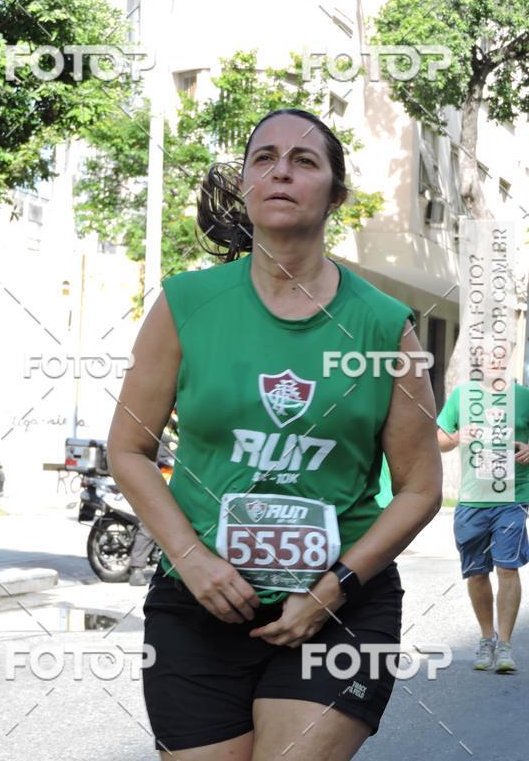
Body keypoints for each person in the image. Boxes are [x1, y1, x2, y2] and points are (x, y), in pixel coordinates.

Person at [107, 108, 442, 761]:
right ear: (246, 186)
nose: (281, 171)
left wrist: (334, 585)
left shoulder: (383, 326)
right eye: (264, 159)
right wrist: (192, 558)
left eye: (305, 161)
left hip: (341, 608)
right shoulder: (185, 304)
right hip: (197, 604)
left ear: (335, 195)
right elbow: (129, 447)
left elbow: (420, 488)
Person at [437, 342, 529, 673]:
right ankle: (486, 638)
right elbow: (439, 439)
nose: (495, 359)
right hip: (472, 499)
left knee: (507, 568)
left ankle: (504, 646)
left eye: (501, 353)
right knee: (476, 574)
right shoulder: (463, 396)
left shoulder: (523, 397)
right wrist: (458, 436)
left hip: (512, 499)